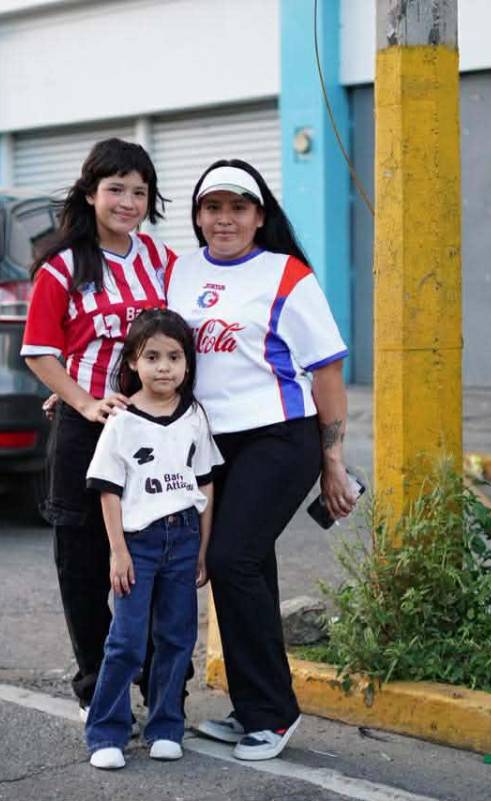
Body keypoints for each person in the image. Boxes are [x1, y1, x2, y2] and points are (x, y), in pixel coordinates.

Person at [167, 159, 359, 761]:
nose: (224, 219)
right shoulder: (181, 271)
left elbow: (327, 371)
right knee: (244, 566)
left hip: (278, 437)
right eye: (212, 208)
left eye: (238, 208)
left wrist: (332, 459)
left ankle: (274, 715)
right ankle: (253, 708)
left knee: (231, 559)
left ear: (259, 216)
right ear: (198, 216)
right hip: (209, 444)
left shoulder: (286, 275)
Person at [21, 138, 177, 720]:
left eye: (139, 191)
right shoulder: (62, 266)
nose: (128, 202)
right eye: (116, 189)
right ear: (90, 193)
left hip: (154, 431)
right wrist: (80, 401)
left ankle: (163, 692)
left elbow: (180, 339)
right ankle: (98, 691)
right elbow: (39, 351)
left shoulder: (161, 260)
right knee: (84, 566)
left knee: (157, 560)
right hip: (87, 431)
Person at [83, 308, 221, 769]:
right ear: (133, 362)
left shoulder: (194, 415)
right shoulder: (122, 420)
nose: (164, 368)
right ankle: (106, 732)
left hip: (183, 538)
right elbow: (108, 490)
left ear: (188, 364)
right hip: (138, 543)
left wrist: (202, 549)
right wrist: (118, 552)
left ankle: (165, 726)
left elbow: (205, 485)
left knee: (176, 638)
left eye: (175, 357)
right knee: (126, 642)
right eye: (153, 357)